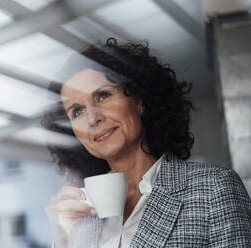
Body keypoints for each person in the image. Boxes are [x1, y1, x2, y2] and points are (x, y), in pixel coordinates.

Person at [41, 38, 251, 248]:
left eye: (103, 96)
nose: (92, 118)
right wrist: (63, 238)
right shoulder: (81, 218)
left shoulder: (214, 188)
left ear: (139, 100)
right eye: (77, 111)